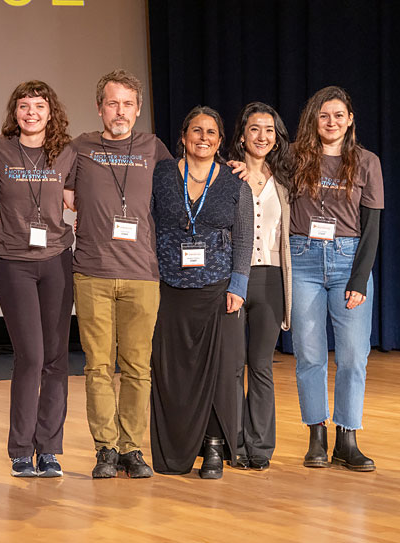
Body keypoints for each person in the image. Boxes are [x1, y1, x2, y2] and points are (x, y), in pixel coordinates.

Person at [70, 71, 172, 479]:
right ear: (99, 108)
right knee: (97, 367)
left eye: (128, 104)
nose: (120, 111)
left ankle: (132, 448)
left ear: (139, 109)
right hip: (92, 273)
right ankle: (105, 449)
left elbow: (188, 188)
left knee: (137, 368)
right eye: (112, 103)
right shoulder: (80, 147)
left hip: (142, 274)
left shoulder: (154, 148)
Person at [149, 106, 253, 479]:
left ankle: (213, 447)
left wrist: (239, 285)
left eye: (211, 132)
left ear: (220, 141)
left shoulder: (233, 183)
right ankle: (176, 448)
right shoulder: (161, 175)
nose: (204, 138)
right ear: (183, 136)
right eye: (197, 131)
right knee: (173, 374)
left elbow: (244, 237)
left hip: (218, 291)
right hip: (169, 290)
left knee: (219, 373)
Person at [289, 86, 383, 472]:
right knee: (309, 355)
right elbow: (259, 170)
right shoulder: (294, 156)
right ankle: (317, 437)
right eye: (324, 116)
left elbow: (372, 225)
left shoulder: (366, 161)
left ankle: (348, 438)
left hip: (348, 261)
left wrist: (359, 279)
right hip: (303, 260)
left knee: (352, 357)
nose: (331, 122)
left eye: (339, 116)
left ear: (350, 121)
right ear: (315, 120)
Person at [0, 81, 75, 478]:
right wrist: (14, 226)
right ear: (14, 112)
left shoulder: (68, 152)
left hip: (57, 260)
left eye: (39, 106)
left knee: (56, 359)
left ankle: (50, 449)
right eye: (23, 106)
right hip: (15, 263)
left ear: (50, 112)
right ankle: (21, 449)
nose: (31, 113)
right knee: (31, 357)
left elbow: (76, 198)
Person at [228, 102, 293, 471]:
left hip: (270, 280)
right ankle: (236, 440)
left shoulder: (283, 180)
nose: (262, 136)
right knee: (235, 366)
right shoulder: (227, 175)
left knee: (261, 365)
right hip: (237, 279)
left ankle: (261, 446)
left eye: (269, 130)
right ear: (242, 136)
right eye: (255, 129)